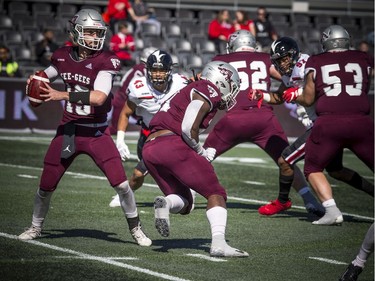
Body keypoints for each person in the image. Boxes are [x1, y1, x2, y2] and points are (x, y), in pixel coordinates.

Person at [18, 9, 151, 247]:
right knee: (45, 186)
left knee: (121, 185)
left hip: (97, 133)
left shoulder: (106, 59)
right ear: (76, 32)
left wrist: (61, 93)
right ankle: (36, 226)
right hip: (69, 130)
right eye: (89, 32)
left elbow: (99, 97)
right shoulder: (61, 55)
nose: (94, 37)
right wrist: (36, 81)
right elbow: (45, 76)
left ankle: (136, 228)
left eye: (98, 32)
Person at [203, 30, 324, 216]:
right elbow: (288, 77)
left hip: (234, 119)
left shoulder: (221, 58)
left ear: (232, 46)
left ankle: (187, 194)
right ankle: (310, 200)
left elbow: (208, 85)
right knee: (287, 161)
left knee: (202, 158)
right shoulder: (265, 58)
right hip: (264, 119)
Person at [250, 37, 373, 217]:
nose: (282, 64)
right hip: (323, 125)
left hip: (324, 125)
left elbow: (319, 93)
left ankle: (283, 201)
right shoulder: (289, 72)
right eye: (278, 60)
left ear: (293, 55)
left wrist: (297, 93)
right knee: (336, 170)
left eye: (284, 58)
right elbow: (281, 96)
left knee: (286, 160)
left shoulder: (307, 65)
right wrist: (263, 96)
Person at [141, 60, 248, 257]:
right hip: (172, 144)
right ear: (221, 80)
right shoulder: (208, 88)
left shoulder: (191, 88)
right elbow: (187, 127)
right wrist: (200, 151)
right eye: (231, 85)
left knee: (186, 203)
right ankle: (219, 244)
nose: (231, 92)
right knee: (216, 193)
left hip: (150, 147)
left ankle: (166, 203)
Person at [281, 25, 374, 225]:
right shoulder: (363, 58)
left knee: (313, 168)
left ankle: (331, 210)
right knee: (337, 169)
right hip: (361, 121)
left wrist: (295, 95)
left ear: (325, 43)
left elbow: (307, 98)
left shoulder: (316, 61)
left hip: (329, 122)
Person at [109, 49, 189, 207]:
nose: (158, 74)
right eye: (154, 70)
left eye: (161, 70)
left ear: (169, 71)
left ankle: (186, 193)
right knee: (138, 174)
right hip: (149, 137)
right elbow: (125, 113)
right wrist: (120, 140)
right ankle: (126, 195)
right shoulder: (139, 87)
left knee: (178, 172)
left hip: (173, 136)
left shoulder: (181, 83)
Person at [109, 46, 157, 135]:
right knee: (116, 129)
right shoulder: (142, 68)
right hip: (125, 98)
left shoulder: (141, 68)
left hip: (132, 98)